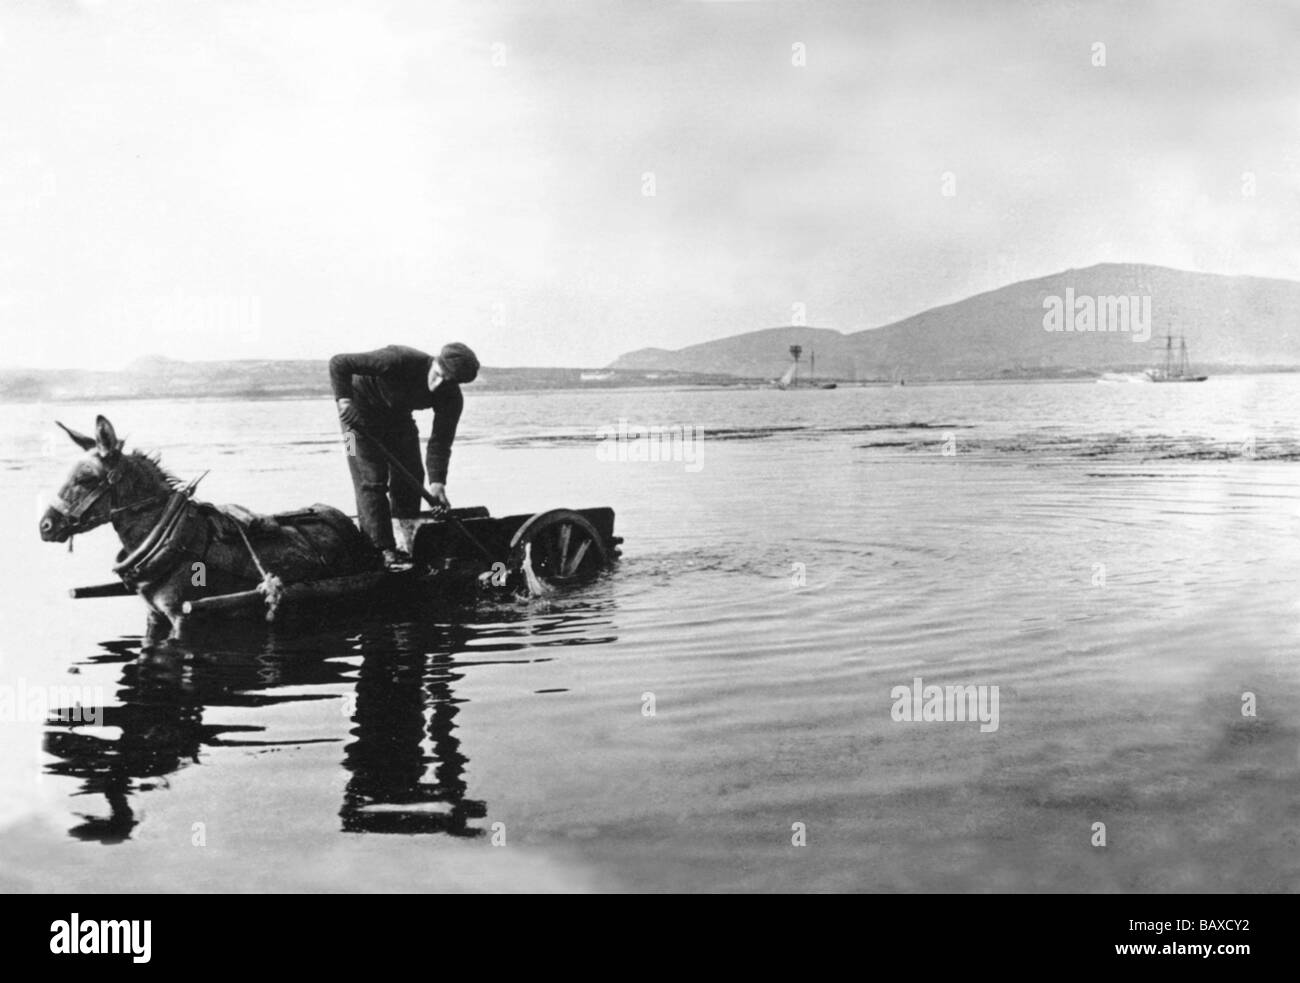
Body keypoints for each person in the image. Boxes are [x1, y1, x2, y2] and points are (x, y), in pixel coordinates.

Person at [329, 343, 479, 568]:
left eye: (449, 381)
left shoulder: (451, 398)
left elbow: (440, 443)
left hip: (397, 418)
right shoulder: (397, 359)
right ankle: (381, 550)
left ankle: (405, 538)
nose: (438, 384)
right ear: (434, 361)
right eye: (438, 375)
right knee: (370, 479)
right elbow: (339, 362)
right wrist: (344, 400)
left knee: (412, 474)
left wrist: (437, 484)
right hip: (353, 419)